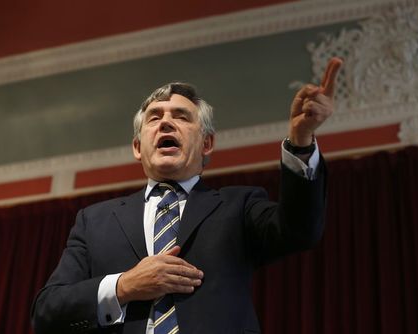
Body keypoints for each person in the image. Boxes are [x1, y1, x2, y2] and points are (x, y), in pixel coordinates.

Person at [31, 58, 343, 334]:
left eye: (181, 116)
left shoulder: (239, 206)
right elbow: (47, 311)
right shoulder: (94, 221)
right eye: (154, 118)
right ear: (138, 147)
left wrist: (301, 141)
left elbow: (300, 230)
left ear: (207, 143)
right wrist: (124, 286)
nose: (165, 122)